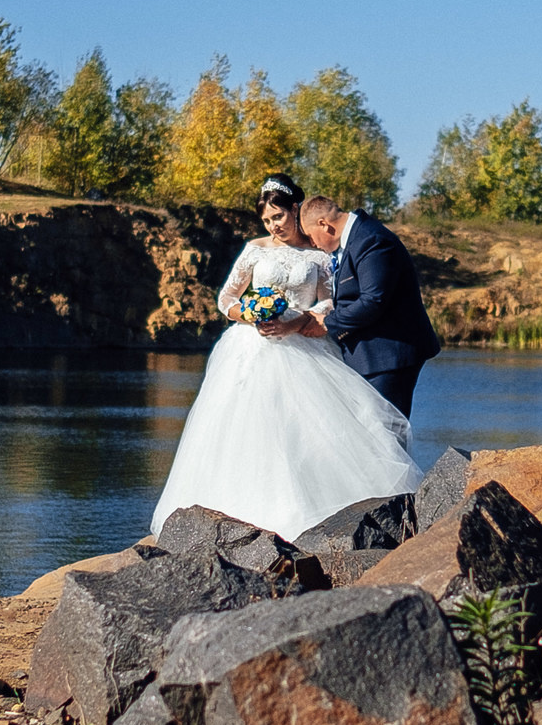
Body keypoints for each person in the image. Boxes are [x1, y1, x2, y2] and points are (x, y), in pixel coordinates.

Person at [148, 175, 422, 540]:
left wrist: (300, 318)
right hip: (252, 348)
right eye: (266, 220)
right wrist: (246, 313)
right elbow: (226, 298)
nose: (273, 226)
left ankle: (320, 516)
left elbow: (330, 300)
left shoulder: (319, 254)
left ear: (295, 210)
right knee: (247, 428)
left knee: (310, 429)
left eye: (278, 216)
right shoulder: (254, 249)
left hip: (304, 344)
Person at [290, 192, 442, 417]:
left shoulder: (372, 240)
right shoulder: (355, 239)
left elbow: (373, 301)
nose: (313, 243)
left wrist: (328, 323)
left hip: (388, 355)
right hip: (372, 355)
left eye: (311, 236)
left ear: (324, 224)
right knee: (372, 435)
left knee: (386, 434)